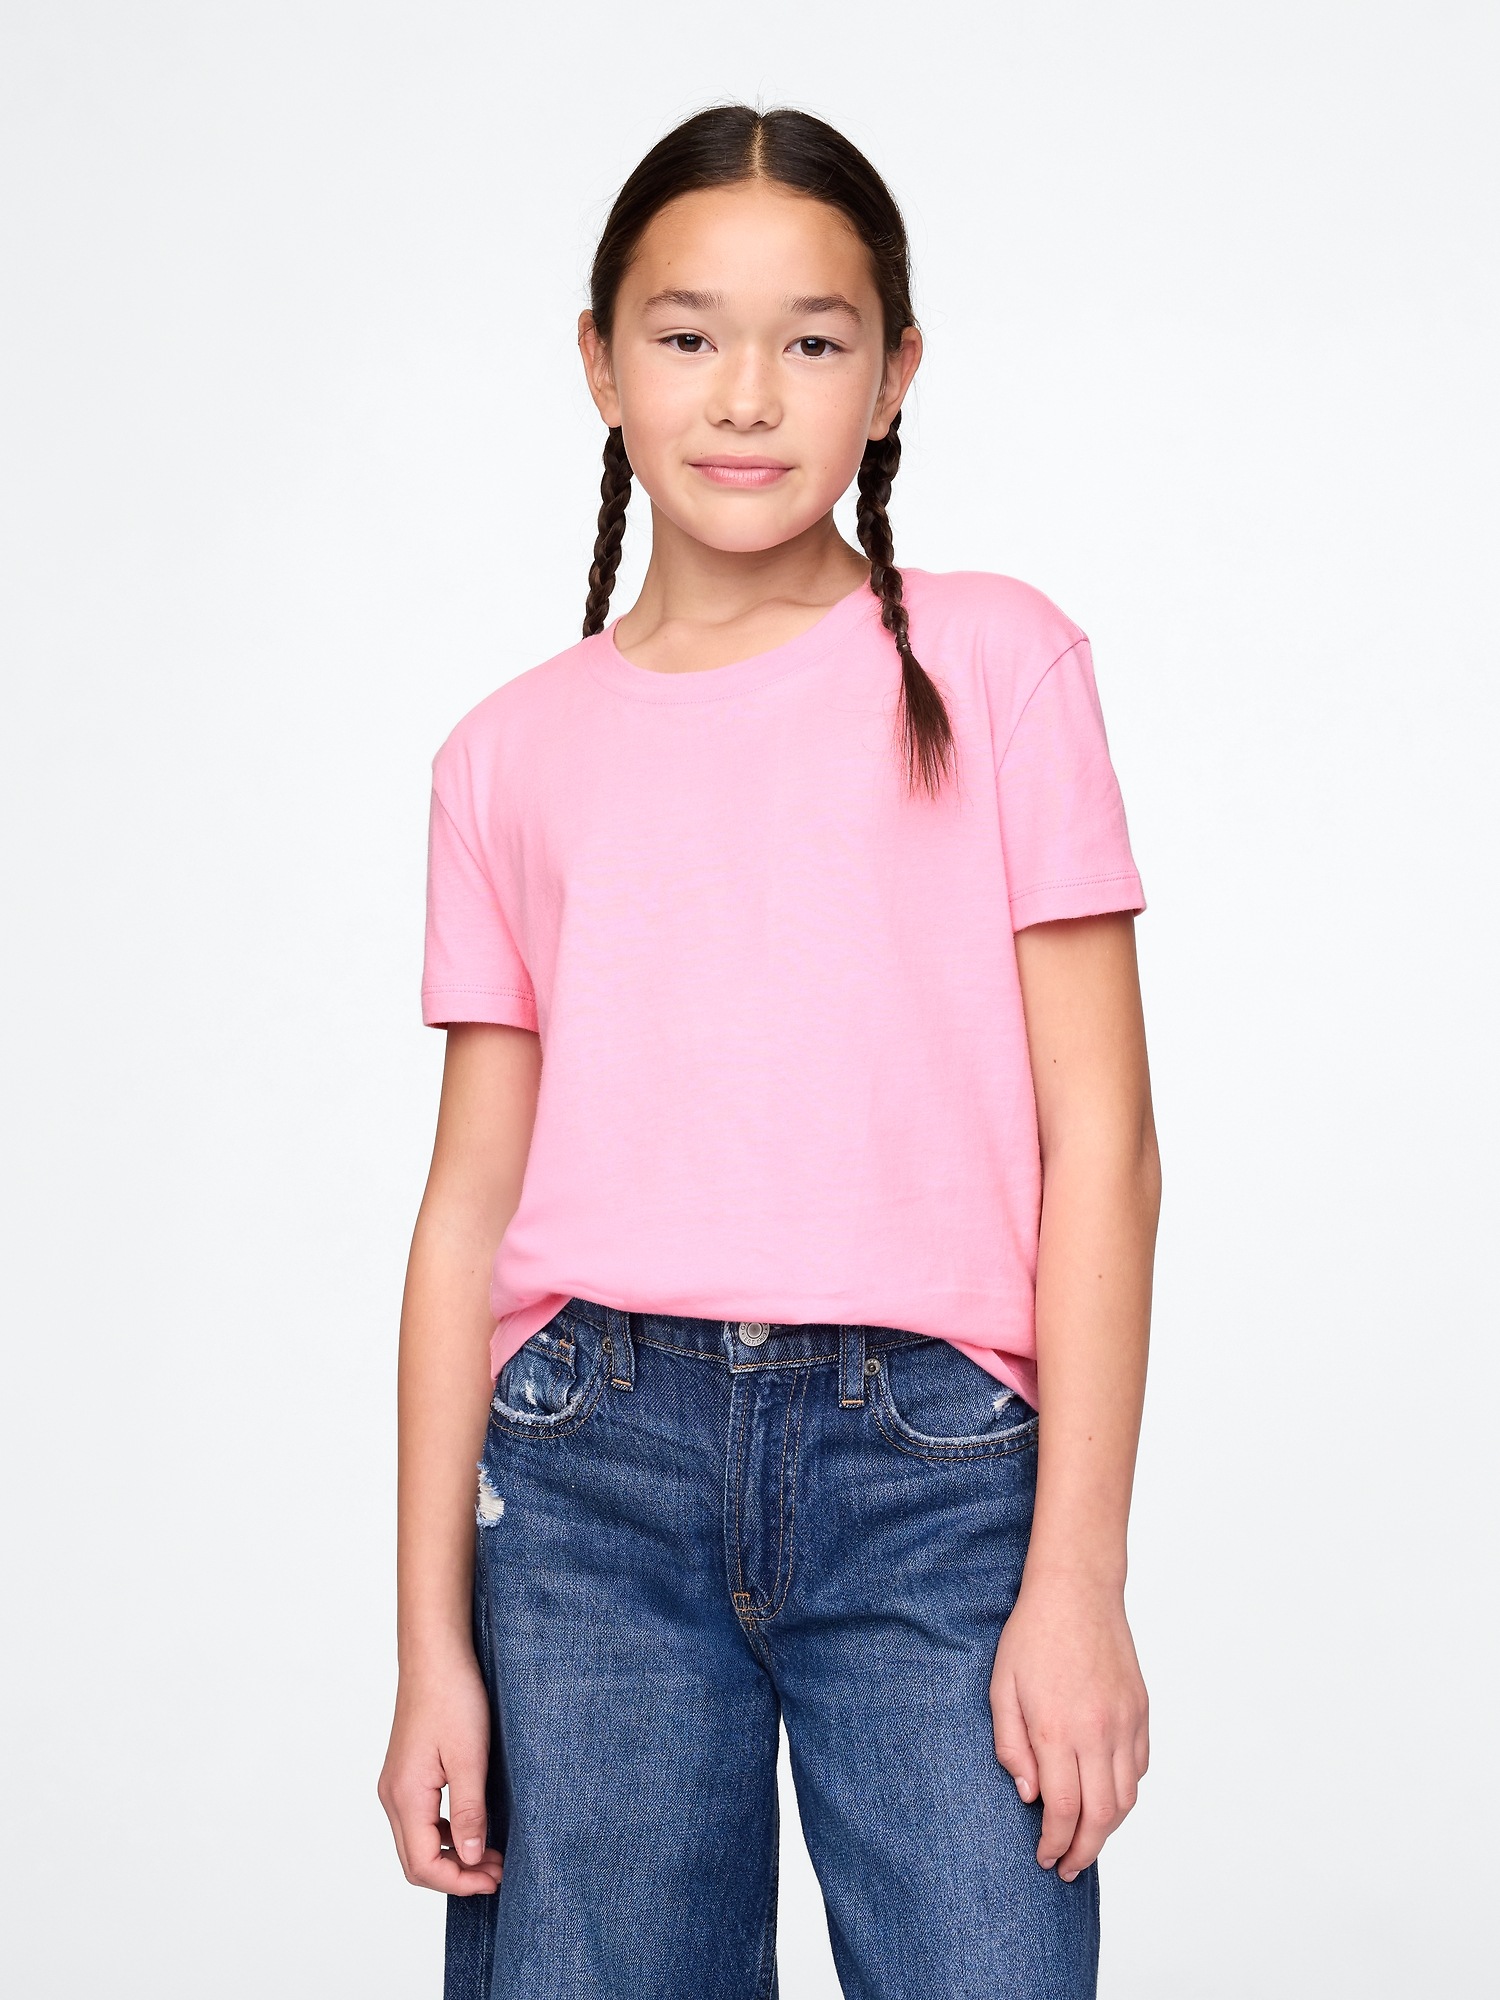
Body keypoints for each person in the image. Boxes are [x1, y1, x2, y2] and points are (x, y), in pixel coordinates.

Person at [378, 101, 1161, 2000]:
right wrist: (429, 1652)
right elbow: (467, 1207)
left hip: (938, 1473)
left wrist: (1079, 1580)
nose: (746, 395)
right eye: (686, 334)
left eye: (813, 339)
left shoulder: (996, 663)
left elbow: (1105, 1146)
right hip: (587, 1479)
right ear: (600, 363)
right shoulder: (504, 754)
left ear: (894, 376)